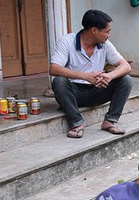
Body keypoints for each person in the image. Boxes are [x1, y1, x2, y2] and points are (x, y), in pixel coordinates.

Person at [49, 9, 133, 139]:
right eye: (107, 31)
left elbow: (126, 66)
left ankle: (110, 121)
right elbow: (54, 69)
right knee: (58, 81)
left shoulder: (105, 45)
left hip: (96, 91)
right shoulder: (67, 41)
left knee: (125, 80)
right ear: (94, 30)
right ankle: (77, 123)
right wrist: (86, 76)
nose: (109, 35)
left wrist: (108, 76)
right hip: (73, 93)